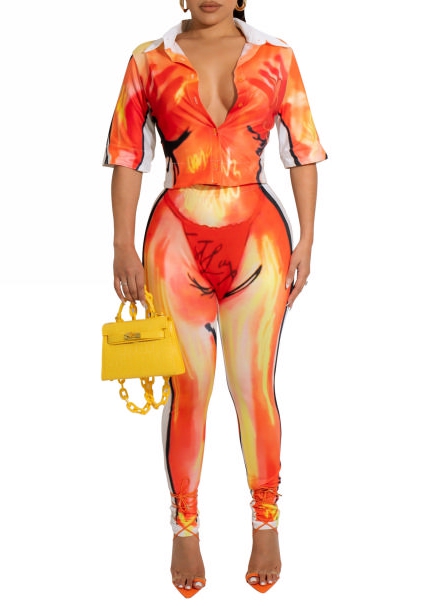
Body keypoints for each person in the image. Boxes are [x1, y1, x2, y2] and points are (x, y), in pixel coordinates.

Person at [103, 0, 326, 597]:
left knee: (255, 388)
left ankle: (266, 522)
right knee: (188, 392)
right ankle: (185, 528)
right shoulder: (148, 60)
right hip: (174, 239)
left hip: (260, 236)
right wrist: (122, 245)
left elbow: (303, 151)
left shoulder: (276, 56)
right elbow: (127, 158)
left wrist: (308, 238)